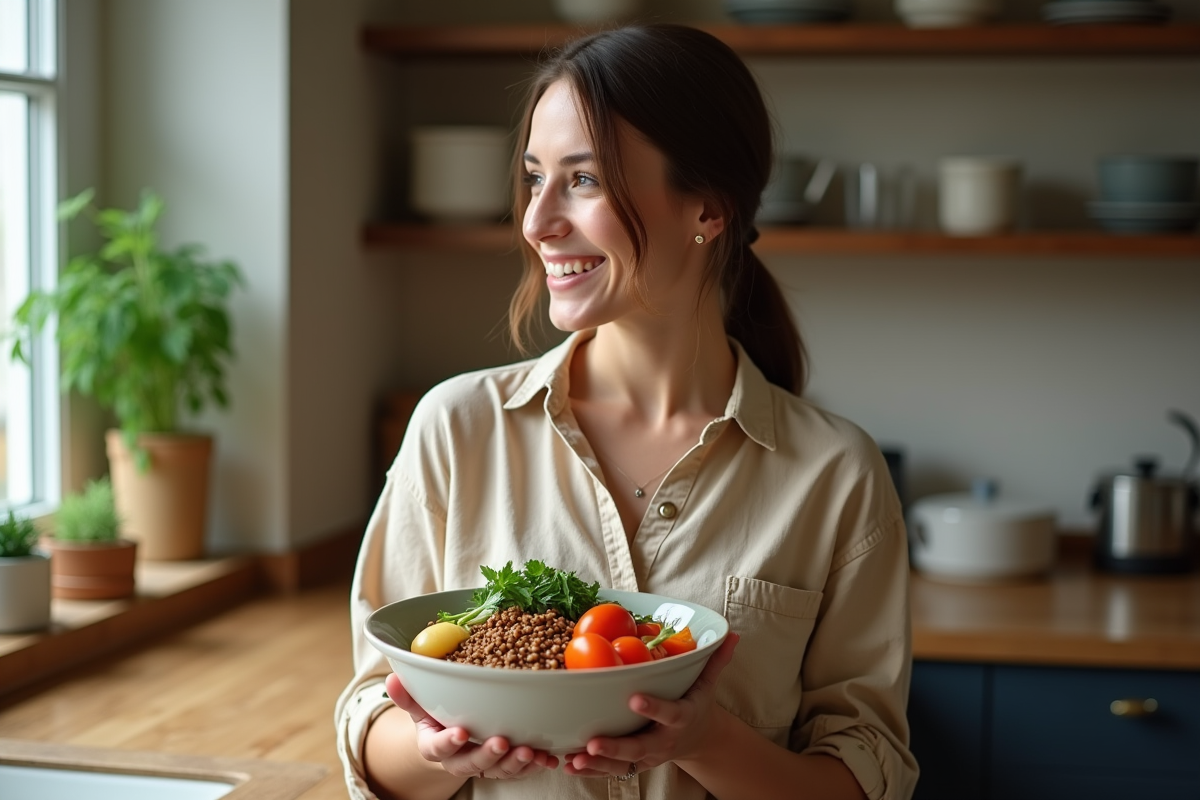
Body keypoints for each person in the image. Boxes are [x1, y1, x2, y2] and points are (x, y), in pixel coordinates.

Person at [335, 23, 917, 800]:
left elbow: (866, 772)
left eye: (582, 180)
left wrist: (708, 740)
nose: (537, 222)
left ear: (706, 207)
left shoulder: (835, 475)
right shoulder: (457, 428)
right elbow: (371, 722)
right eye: (534, 178)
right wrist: (443, 753)